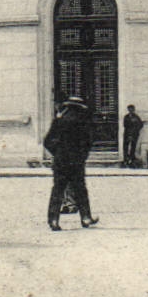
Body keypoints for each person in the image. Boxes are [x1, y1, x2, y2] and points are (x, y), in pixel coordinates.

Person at [43, 96, 97, 230]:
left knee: (57, 190)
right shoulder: (83, 122)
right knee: (80, 190)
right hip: (76, 162)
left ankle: (53, 220)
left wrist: (57, 153)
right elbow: (89, 142)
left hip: (60, 161)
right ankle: (86, 218)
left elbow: (47, 141)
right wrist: (82, 156)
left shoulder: (59, 121)